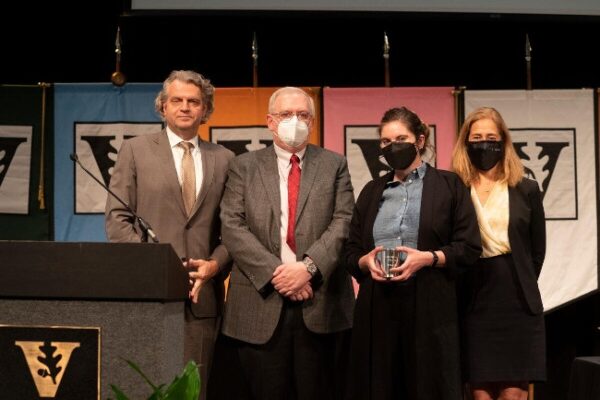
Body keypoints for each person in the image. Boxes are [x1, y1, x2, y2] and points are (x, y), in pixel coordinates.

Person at [216, 86, 355, 400]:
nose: (295, 120)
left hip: (321, 303)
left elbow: (344, 220)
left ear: (313, 121)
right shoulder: (244, 166)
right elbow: (231, 225)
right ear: (270, 121)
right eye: (286, 114)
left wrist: (307, 268)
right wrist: (280, 273)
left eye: (303, 114)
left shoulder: (335, 164)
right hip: (258, 302)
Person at [105, 70, 234, 399]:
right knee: (146, 387)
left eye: (194, 102)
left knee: (195, 392)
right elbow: (118, 220)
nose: (185, 107)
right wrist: (155, 266)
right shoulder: (134, 151)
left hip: (201, 297)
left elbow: (234, 229)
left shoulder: (226, 160)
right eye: (176, 100)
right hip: (147, 293)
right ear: (162, 107)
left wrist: (215, 265)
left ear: (205, 110)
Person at [343, 106, 482, 400]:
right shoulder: (371, 191)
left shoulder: (449, 185)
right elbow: (351, 250)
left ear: (419, 140)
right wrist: (365, 261)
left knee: (429, 387)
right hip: (377, 308)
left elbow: (469, 247)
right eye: (385, 141)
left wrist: (428, 258)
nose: (393, 147)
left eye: (401, 138)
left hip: (432, 309)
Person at [452, 107, 546, 400]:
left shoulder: (526, 188)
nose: (483, 142)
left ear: (504, 141)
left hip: (516, 299)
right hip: (471, 297)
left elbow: (536, 251)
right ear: (466, 142)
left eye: (491, 136)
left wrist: (519, 277)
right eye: (476, 136)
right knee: (479, 391)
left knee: (514, 391)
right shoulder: (453, 188)